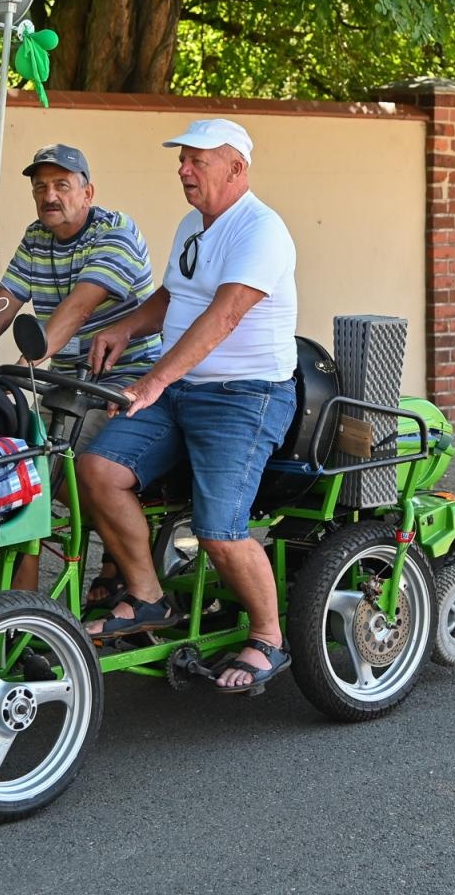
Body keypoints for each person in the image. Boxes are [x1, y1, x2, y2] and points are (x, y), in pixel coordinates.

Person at [78, 118, 299, 693]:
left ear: (236, 168)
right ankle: (150, 597)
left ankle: (269, 637)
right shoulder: (191, 225)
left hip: (246, 397)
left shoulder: (262, 230)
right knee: (97, 471)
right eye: (183, 159)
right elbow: (177, 295)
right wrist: (127, 328)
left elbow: (222, 316)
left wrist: (151, 382)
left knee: (220, 530)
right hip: (182, 391)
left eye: (197, 160)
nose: (183, 169)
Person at [0, 143, 162, 593]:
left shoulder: (116, 232)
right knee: (15, 473)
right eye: (40, 187)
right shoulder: (36, 237)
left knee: (59, 469)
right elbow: (4, 304)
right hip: (63, 383)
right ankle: (17, 608)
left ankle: (127, 563)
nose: (50, 196)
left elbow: (78, 309)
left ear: (88, 192)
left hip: (126, 381)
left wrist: (23, 368)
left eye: (62, 185)